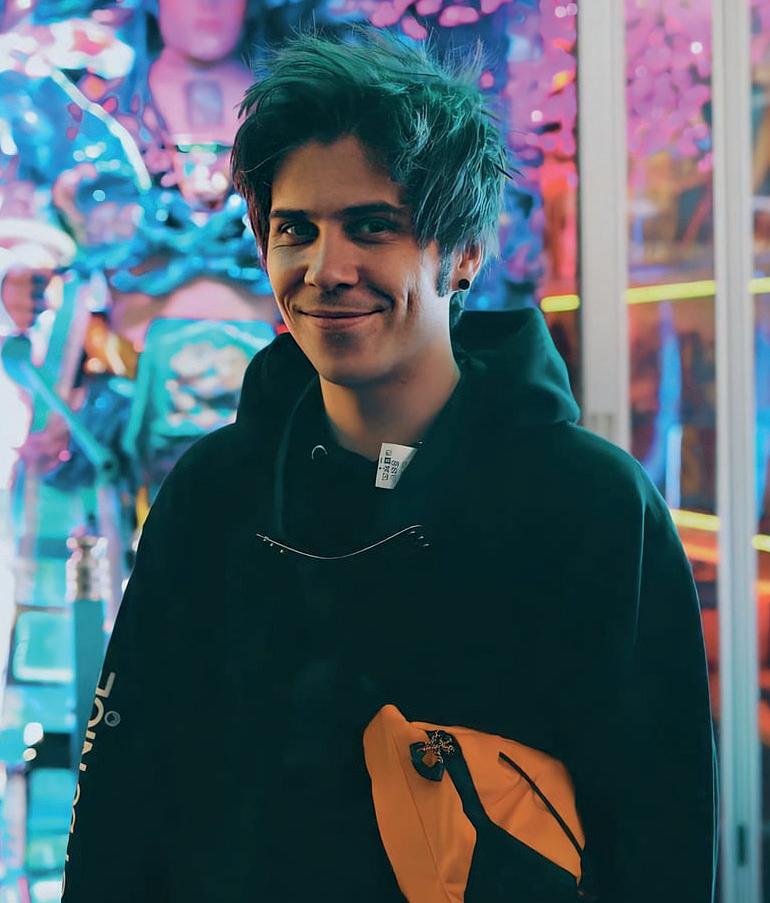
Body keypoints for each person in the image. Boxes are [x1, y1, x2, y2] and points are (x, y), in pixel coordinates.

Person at [61, 23, 717, 902]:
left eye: (372, 227)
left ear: (464, 253)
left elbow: (660, 829)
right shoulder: (216, 490)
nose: (325, 268)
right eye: (295, 229)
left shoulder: (588, 503)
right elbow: (123, 800)